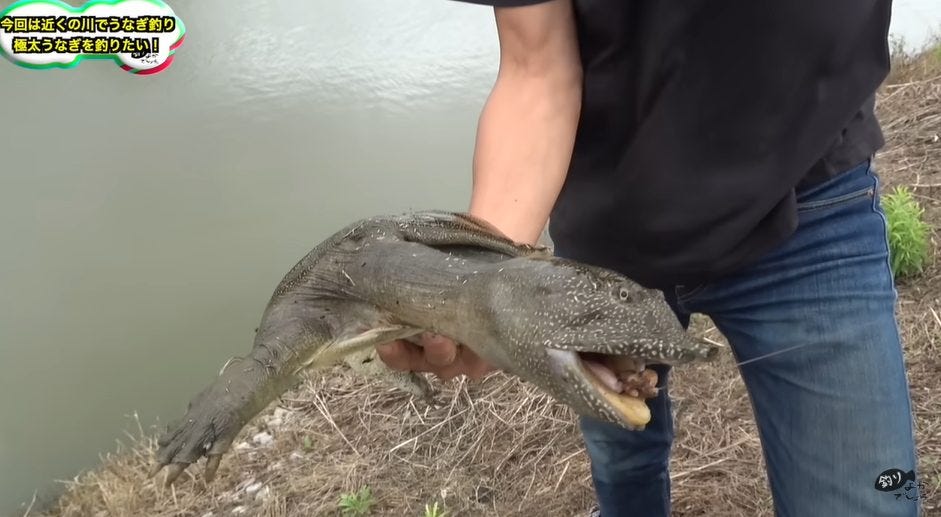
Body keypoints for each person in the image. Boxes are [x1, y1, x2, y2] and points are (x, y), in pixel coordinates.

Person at [376, 1, 921, 515]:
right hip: (609, 233)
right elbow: (535, 69)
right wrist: (484, 290)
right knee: (620, 451)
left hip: (810, 199)